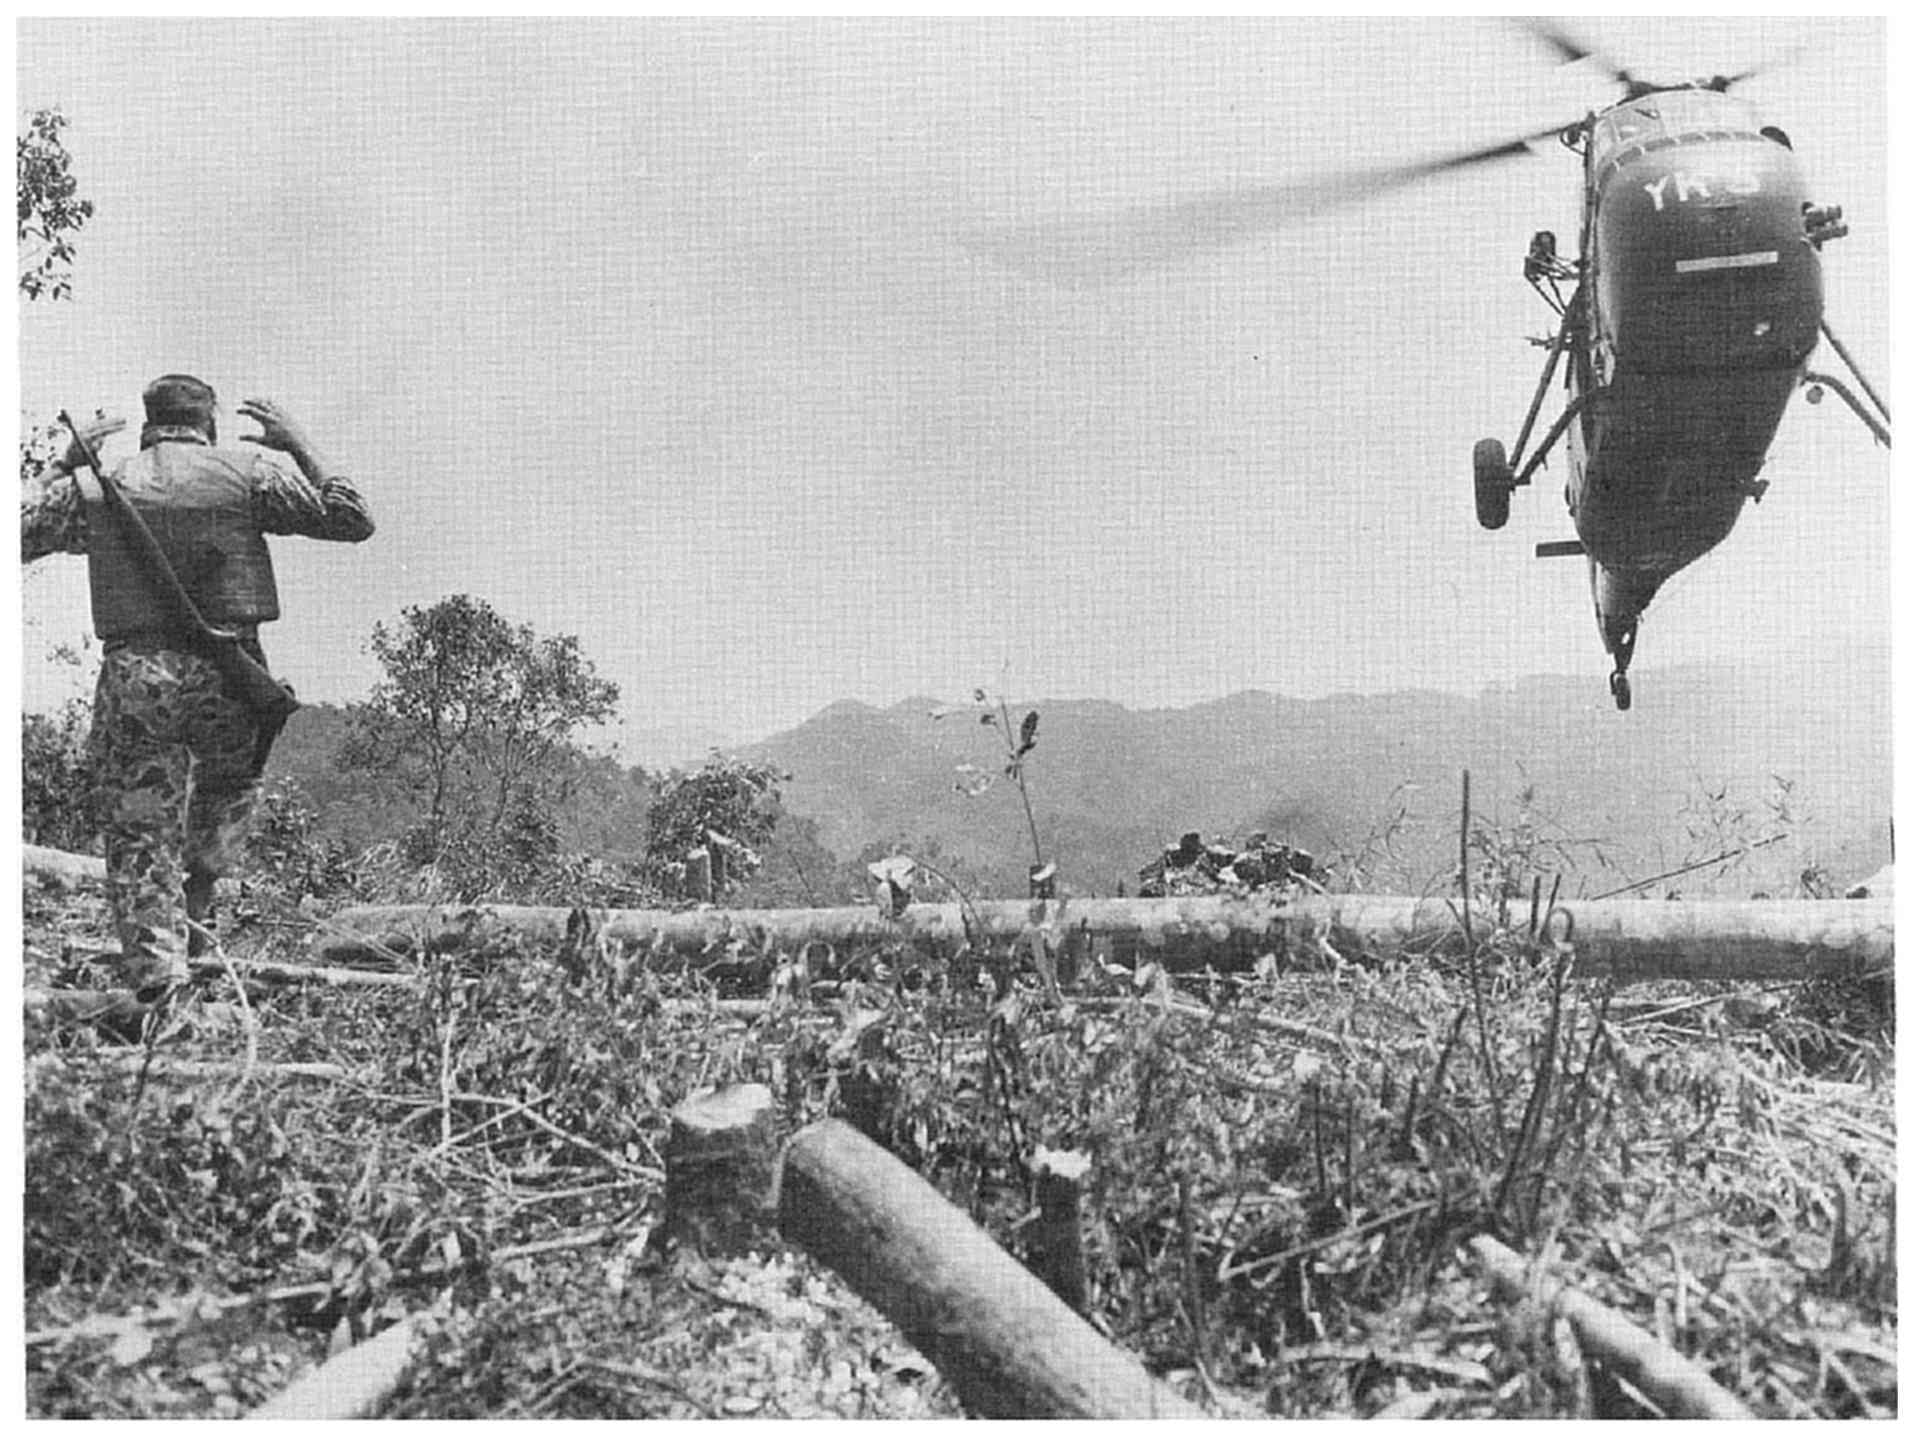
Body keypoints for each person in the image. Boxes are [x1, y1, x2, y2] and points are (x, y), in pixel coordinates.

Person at [21, 374, 374, 995]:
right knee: (230, 786)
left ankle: (160, 981)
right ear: (209, 424)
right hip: (231, 673)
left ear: (148, 423)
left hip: (138, 678)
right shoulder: (251, 476)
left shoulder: (101, 487)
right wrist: (297, 443)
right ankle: (200, 911)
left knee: (140, 833)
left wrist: (61, 465)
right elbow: (352, 518)